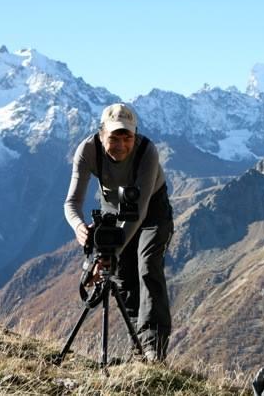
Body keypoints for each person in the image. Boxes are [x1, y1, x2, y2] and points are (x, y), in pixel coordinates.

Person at [64, 103, 174, 362]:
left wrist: (108, 255)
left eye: (128, 137)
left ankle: (153, 350)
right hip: (112, 207)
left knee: (147, 266)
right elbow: (71, 204)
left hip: (151, 210)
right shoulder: (87, 151)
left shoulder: (147, 152)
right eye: (114, 137)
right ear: (102, 134)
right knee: (123, 279)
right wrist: (79, 227)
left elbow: (139, 210)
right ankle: (139, 349)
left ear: (135, 136)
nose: (121, 145)